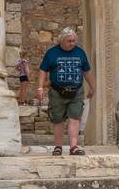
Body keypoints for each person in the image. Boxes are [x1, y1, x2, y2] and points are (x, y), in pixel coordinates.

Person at [37, 27, 95, 157]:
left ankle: (73, 147)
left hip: (76, 91)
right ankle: (58, 147)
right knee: (58, 120)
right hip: (57, 92)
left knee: (74, 118)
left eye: (74, 40)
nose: (72, 43)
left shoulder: (80, 53)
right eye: (69, 41)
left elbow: (87, 71)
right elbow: (43, 70)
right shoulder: (51, 53)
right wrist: (40, 87)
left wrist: (92, 87)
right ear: (62, 40)